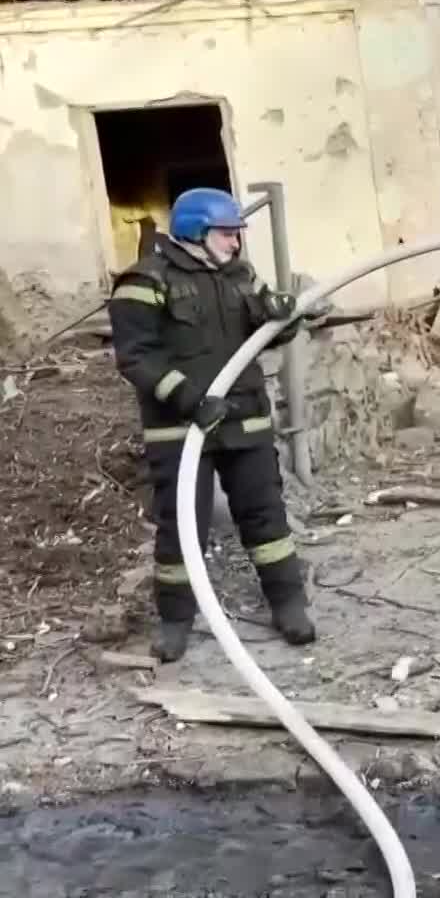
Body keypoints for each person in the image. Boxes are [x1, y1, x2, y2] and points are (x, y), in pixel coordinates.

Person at [107, 188, 316, 663]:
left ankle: (288, 604)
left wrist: (286, 319)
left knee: (266, 517)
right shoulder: (145, 281)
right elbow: (135, 357)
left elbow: (267, 328)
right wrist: (189, 398)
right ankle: (176, 621)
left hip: (245, 421)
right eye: (228, 234)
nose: (237, 244)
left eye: (238, 234)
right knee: (182, 527)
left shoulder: (239, 277)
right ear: (195, 232)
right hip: (180, 430)